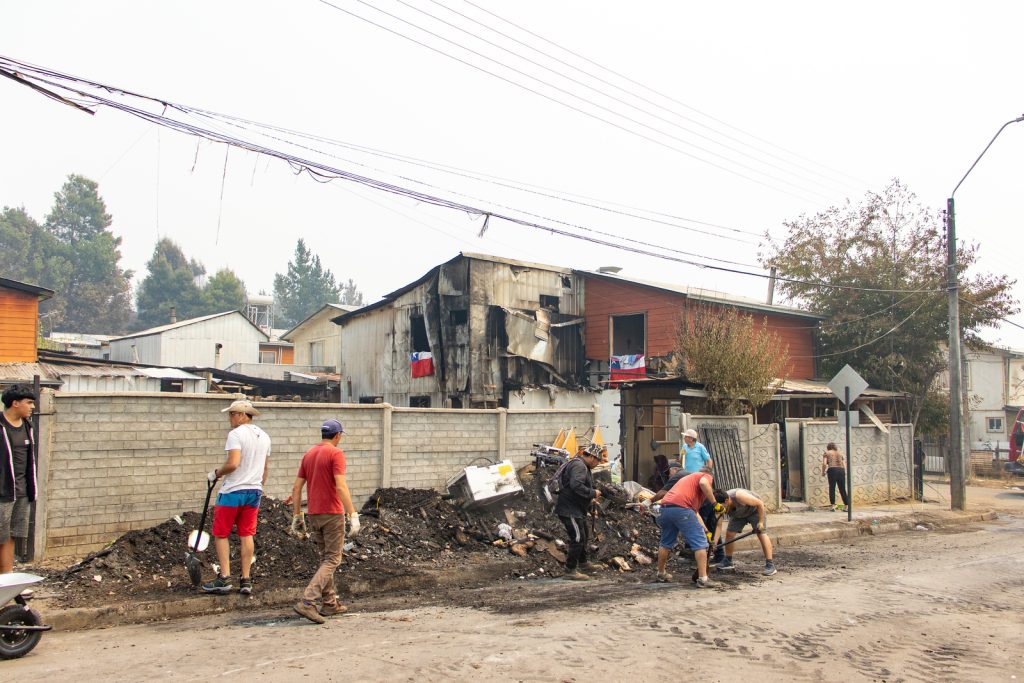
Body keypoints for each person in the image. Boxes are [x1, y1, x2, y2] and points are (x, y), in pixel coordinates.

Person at [290, 419, 360, 624]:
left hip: (314, 513)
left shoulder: (309, 454)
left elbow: (296, 488)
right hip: (332, 513)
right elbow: (340, 486)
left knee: (325, 558)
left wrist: (297, 516)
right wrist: (352, 514)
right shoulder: (336, 453)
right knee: (332, 559)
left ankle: (329, 603)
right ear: (337, 436)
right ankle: (308, 602)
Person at [202, 399, 271, 595]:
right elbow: (265, 468)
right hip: (254, 491)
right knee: (246, 534)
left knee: (221, 533)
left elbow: (233, 463)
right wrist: (259, 485)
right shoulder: (264, 436)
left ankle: (224, 578)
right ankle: (246, 579)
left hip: (233, 491)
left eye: (232, 414)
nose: (230, 418)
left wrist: (216, 473)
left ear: (242, 415)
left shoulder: (235, 434)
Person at [650, 469, 726, 587]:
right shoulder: (705, 476)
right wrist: (715, 504)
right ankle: (703, 579)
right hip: (681, 509)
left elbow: (694, 513)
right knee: (700, 543)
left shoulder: (687, 483)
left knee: (665, 542)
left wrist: (706, 531)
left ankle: (661, 574)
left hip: (665, 508)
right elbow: (703, 483)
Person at [0, 385, 38, 574]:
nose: (32, 407)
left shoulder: (27, 426)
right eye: (29, 402)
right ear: (15, 403)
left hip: (21, 491)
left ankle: (6, 580)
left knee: (11, 536)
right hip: (2, 491)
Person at [554, 446, 603, 581]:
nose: (598, 463)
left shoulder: (581, 465)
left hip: (576, 509)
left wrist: (589, 497)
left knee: (584, 535)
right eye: (598, 460)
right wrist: (593, 493)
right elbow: (576, 485)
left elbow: (576, 486)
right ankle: (570, 570)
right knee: (578, 537)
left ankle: (583, 563)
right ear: (592, 457)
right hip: (569, 509)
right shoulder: (579, 466)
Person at [715, 487, 776, 576]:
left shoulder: (739, 496)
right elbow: (718, 525)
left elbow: (760, 504)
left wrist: (761, 522)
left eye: (722, 506)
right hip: (738, 515)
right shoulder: (718, 506)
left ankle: (770, 564)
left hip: (754, 511)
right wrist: (715, 543)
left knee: (761, 534)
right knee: (729, 533)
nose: (720, 509)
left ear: (727, 500)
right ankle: (728, 560)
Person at [822, 442, 850, 512]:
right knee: (842, 489)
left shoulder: (826, 453)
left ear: (828, 447)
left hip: (832, 470)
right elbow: (844, 463)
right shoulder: (840, 453)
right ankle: (846, 506)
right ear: (835, 447)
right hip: (841, 470)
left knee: (832, 488)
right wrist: (844, 471)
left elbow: (824, 464)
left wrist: (823, 472)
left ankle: (833, 506)